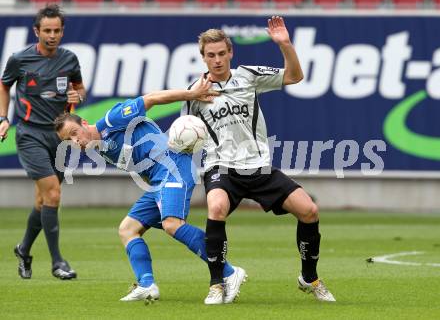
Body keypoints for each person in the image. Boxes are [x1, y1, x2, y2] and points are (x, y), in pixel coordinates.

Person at [183, 16, 336, 304]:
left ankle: (309, 277)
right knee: (216, 208)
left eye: (221, 53)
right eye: (210, 55)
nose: (216, 60)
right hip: (221, 166)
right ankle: (217, 284)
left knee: (309, 210)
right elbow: (185, 135)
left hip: (259, 166)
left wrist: (285, 45)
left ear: (231, 53)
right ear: (203, 57)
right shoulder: (195, 93)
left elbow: (295, 77)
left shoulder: (248, 76)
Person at [54, 77, 246, 302]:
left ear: (84, 123)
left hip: (173, 168)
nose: (76, 141)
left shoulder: (111, 120)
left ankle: (230, 272)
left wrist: (192, 94)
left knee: (172, 225)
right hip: (158, 181)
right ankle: (147, 285)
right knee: (128, 229)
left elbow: (152, 98)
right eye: (69, 140)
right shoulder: (100, 149)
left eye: (75, 132)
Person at [0, 4, 86, 280]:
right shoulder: (19, 59)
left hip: (59, 137)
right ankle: (57, 262)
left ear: (62, 31)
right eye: (47, 30)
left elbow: (79, 89)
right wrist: (3, 118)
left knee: (43, 199)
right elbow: (4, 85)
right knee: (53, 195)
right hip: (30, 134)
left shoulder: (70, 59)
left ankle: (23, 249)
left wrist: (77, 97)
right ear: (36, 31)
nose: (52, 35)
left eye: (57, 30)